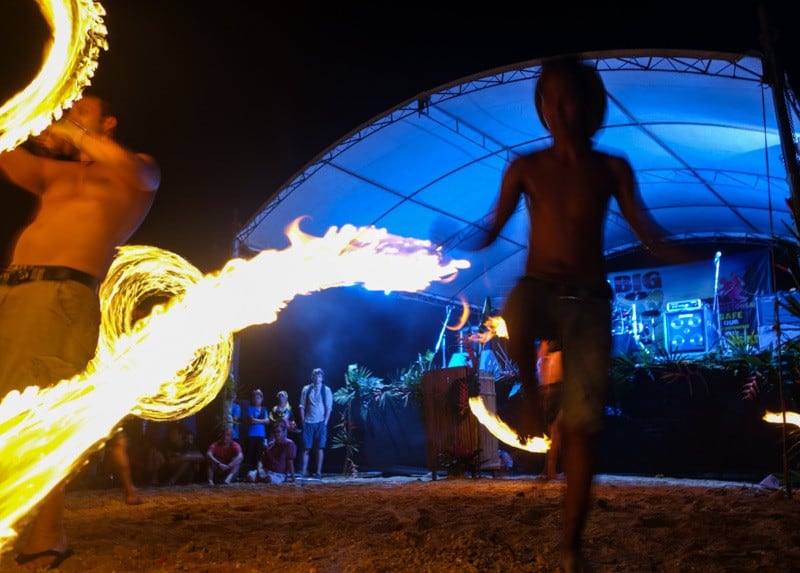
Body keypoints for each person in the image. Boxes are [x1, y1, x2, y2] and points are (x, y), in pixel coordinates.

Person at [474, 56, 695, 572]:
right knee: (517, 304)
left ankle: (571, 545)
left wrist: (687, 256)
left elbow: (647, 232)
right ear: (541, 109)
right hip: (540, 290)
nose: (560, 109)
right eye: (550, 100)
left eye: (570, 98)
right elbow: (491, 228)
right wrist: (446, 250)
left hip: (590, 302)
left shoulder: (610, 168)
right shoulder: (525, 168)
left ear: (592, 107)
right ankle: (530, 399)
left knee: (583, 431)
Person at [0, 92, 159, 569]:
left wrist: (66, 128)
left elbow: (138, 174)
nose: (67, 110)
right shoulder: (56, 174)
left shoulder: (135, 171)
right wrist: (26, 114)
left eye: (79, 106)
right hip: (12, 291)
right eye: (64, 107)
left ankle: (48, 535)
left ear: (108, 122)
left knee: (39, 416)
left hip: (60, 298)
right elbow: (7, 153)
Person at [537, 339, 564, 481]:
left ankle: (549, 469)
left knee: (554, 432)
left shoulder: (547, 356)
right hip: (553, 391)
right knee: (554, 433)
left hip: (550, 391)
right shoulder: (555, 356)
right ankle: (550, 470)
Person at [298, 367, 333, 478]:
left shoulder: (326, 390)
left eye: (319, 375)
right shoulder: (306, 389)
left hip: (321, 422)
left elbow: (329, 407)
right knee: (306, 448)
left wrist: (325, 422)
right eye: (315, 375)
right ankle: (303, 472)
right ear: (312, 377)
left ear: (322, 378)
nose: (317, 377)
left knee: (320, 448)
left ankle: (318, 472)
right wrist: (303, 421)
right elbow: (302, 406)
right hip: (308, 422)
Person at [243, 388, 269, 476]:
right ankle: (247, 473)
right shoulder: (250, 408)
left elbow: (267, 421)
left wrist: (257, 420)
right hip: (252, 434)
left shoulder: (264, 409)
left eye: (258, 398)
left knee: (259, 454)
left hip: (261, 434)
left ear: (262, 399)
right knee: (250, 454)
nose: (256, 399)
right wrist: (262, 420)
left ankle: (257, 473)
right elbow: (252, 421)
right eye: (255, 397)